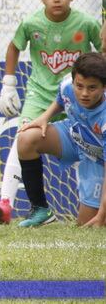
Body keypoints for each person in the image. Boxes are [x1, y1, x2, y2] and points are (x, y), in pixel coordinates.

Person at [0, 0, 102, 225]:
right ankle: (7, 202)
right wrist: (9, 84)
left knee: (86, 148)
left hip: (80, 95)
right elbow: (14, 46)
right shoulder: (31, 23)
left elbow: (101, 52)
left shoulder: (87, 23)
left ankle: (87, 207)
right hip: (42, 95)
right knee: (24, 137)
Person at [16, 52, 106, 227]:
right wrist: (45, 117)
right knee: (27, 139)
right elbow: (61, 99)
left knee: (89, 226)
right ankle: (41, 211)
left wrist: (102, 213)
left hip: (99, 158)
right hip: (75, 135)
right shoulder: (67, 84)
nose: (84, 93)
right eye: (79, 86)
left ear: (104, 87)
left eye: (92, 88)